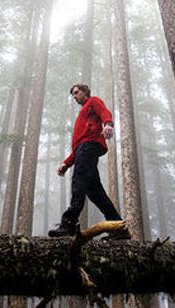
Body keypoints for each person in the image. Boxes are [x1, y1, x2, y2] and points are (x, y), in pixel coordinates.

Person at [48, 83, 130, 239]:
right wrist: (66, 163)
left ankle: (69, 223)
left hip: (89, 147)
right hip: (82, 150)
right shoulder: (81, 115)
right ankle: (119, 229)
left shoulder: (93, 101)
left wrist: (108, 124)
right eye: (72, 94)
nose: (74, 96)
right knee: (96, 194)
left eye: (76, 92)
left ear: (85, 92)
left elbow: (104, 112)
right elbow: (77, 146)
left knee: (78, 181)